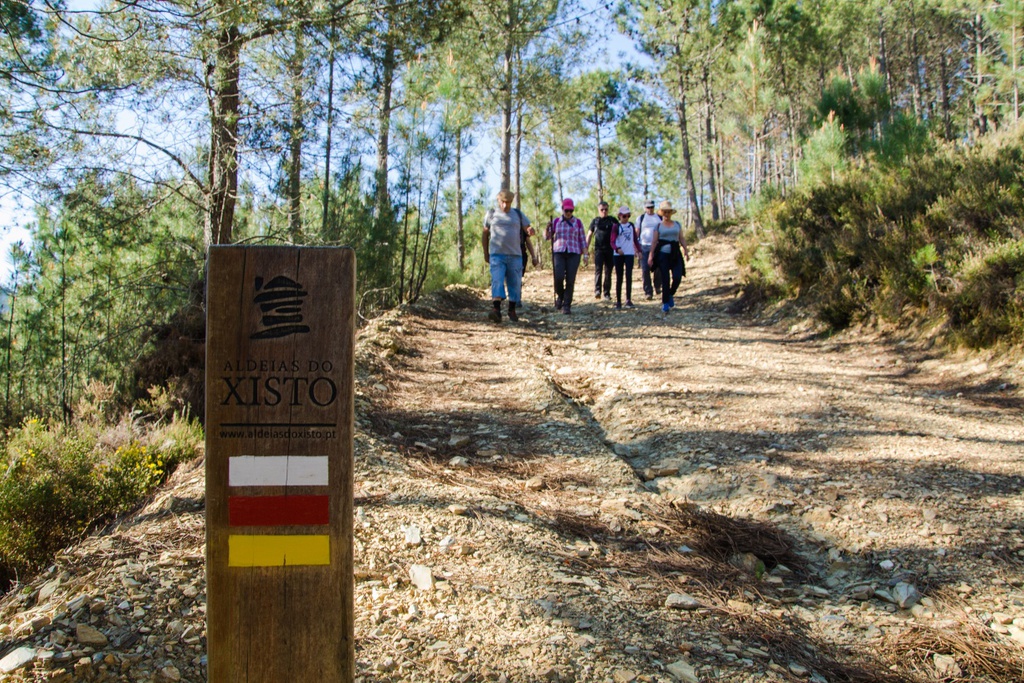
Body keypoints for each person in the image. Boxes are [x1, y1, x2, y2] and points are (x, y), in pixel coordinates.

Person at [483, 189, 531, 323]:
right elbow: (485, 234)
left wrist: (530, 230)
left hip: (515, 255)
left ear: (512, 202)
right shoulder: (491, 214)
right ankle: (496, 310)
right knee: (497, 280)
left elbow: (527, 228)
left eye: (508, 202)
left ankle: (512, 309)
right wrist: (486, 253)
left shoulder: (517, 214)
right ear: (498, 201)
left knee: (515, 284)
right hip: (497, 255)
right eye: (503, 202)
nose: (505, 205)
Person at [646, 201, 690, 317]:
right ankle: (665, 302)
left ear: (671, 213)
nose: (666, 214)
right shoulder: (658, 226)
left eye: (668, 212)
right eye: (664, 212)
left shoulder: (677, 224)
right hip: (663, 255)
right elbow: (654, 241)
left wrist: (686, 250)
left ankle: (670, 293)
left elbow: (681, 238)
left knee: (677, 276)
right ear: (662, 213)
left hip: (675, 253)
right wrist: (651, 255)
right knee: (665, 279)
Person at [546, 198, 588, 315]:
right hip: (559, 252)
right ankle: (561, 296)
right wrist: (547, 228)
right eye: (566, 210)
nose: (569, 213)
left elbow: (582, 240)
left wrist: (585, 254)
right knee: (558, 277)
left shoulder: (578, 222)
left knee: (570, 279)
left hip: (574, 252)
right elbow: (547, 237)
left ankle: (566, 305)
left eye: (571, 210)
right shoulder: (556, 221)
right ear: (562, 209)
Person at [610, 206, 641, 309]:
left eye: (628, 216)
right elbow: (612, 241)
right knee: (619, 277)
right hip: (618, 255)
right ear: (619, 216)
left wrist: (639, 250)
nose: (626, 218)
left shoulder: (631, 226)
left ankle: (628, 299)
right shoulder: (616, 226)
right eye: (624, 216)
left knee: (629, 276)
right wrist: (617, 249)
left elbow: (635, 239)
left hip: (629, 253)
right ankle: (618, 301)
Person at [587, 201, 617, 300]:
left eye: (606, 209)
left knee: (608, 272)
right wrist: (586, 249)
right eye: (602, 209)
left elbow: (620, 233)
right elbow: (589, 235)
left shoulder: (613, 220)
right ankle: (597, 290)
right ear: (598, 210)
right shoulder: (595, 221)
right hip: (599, 250)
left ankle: (607, 293)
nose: (604, 211)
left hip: (610, 250)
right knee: (598, 270)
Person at [636, 199, 661, 300]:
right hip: (644, 246)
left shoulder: (659, 218)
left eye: (652, 207)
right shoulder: (641, 218)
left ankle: (658, 285)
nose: (650, 209)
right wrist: (636, 249)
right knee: (645, 269)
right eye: (648, 207)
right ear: (645, 208)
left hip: (657, 246)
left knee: (658, 268)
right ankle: (648, 292)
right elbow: (637, 233)